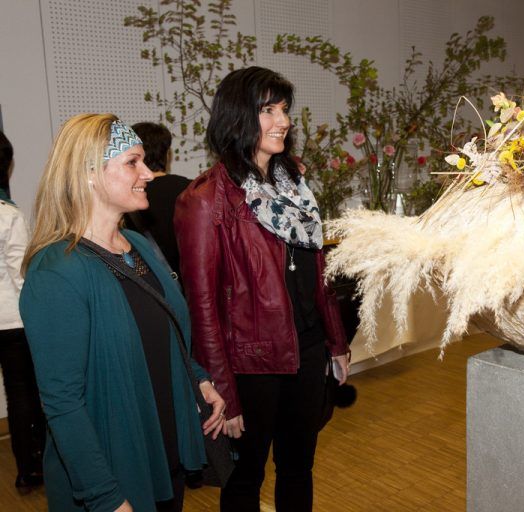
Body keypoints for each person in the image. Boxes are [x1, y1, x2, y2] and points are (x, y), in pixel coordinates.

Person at [19, 114, 226, 512]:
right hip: (114, 477)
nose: (147, 173)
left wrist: (198, 378)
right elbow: (62, 402)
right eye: (133, 162)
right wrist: (105, 496)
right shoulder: (57, 271)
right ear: (89, 173)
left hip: (162, 457)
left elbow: (165, 333)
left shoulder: (137, 244)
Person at [174, 66, 350, 511]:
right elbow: (202, 306)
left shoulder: (294, 186)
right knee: (244, 479)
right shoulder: (205, 200)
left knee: (298, 467)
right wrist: (224, 392)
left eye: (284, 109)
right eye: (268, 110)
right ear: (238, 116)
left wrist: (335, 341)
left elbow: (318, 271)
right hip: (250, 364)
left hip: (307, 349)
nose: (283, 121)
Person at [0, 130, 45, 493]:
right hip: (14, 320)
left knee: (15, 394)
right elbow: (21, 275)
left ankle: (26, 470)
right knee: (25, 395)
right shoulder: (8, 215)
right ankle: (31, 469)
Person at [123, 122, 190, 277]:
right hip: (192, 283)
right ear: (167, 154)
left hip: (151, 283)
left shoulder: (128, 197)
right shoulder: (193, 190)